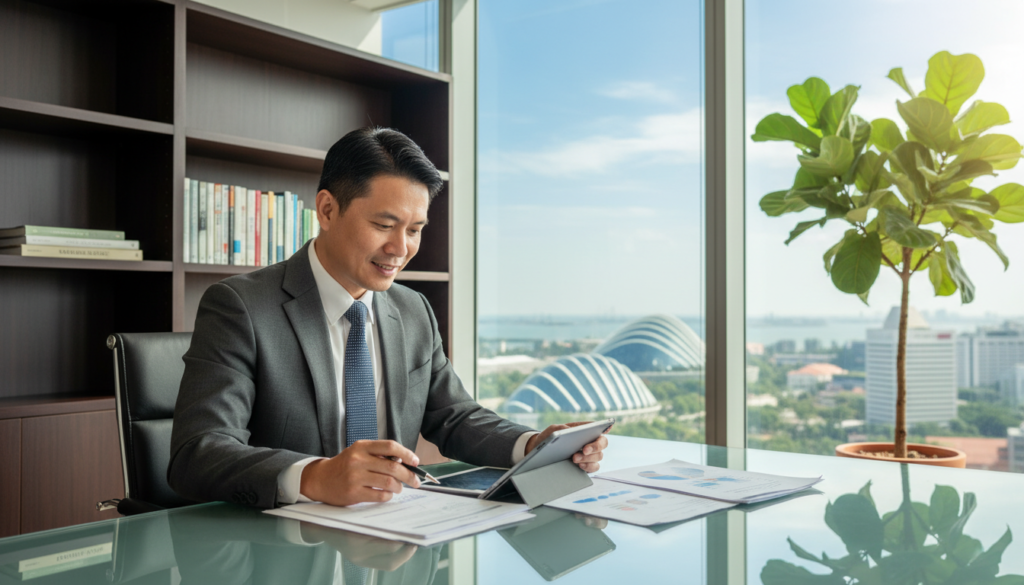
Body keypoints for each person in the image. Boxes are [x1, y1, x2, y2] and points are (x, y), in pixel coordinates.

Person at [169, 127, 609, 508]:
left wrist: (533, 445)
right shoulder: (241, 306)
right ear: (327, 210)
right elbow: (198, 453)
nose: (401, 249)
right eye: (384, 225)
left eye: (415, 229)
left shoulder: (412, 309)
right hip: (279, 544)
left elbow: (454, 415)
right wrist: (316, 476)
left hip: (393, 534)